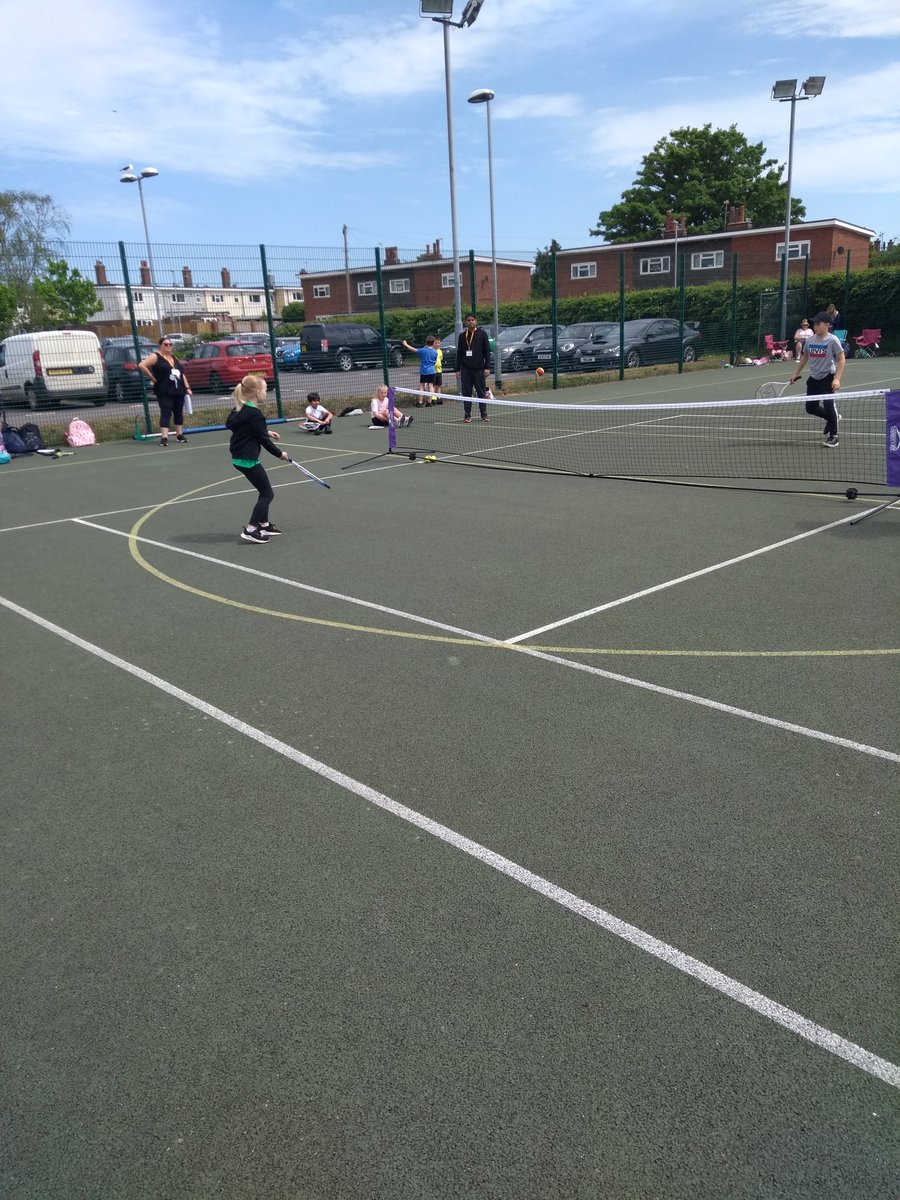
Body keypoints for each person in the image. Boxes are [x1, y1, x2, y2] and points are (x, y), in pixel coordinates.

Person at [225, 374, 289, 543]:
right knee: (267, 493)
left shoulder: (239, 409)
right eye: (266, 390)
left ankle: (264, 524)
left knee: (263, 491)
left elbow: (238, 426)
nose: (266, 393)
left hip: (239, 457)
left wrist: (264, 431)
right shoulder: (254, 414)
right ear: (258, 392)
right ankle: (251, 529)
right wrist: (279, 454)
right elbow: (263, 441)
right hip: (247, 459)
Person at [790, 312, 845, 448]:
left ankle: (834, 436)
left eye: (818, 324)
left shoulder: (832, 340)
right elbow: (805, 357)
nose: (815, 326)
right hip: (814, 378)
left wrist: (837, 379)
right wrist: (795, 373)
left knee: (828, 405)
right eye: (814, 324)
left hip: (828, 377)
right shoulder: (810, 340)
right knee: (810, 408)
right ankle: (832, 419)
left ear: (827, 325)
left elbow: (841, 359)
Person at [138, 336, 192, 446]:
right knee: (166, 412)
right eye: (166, 344)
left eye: (170, 344)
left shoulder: (174, 357)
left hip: (178, 390)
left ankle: (179, 434)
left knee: (178, 413)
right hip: (164, 390)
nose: (168, 346)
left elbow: (181, 374)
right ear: (160, 345)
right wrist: (152, 377)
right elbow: (142, 365)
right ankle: (164, 437)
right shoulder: (156, 356)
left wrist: (187, 387)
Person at [455, 313, 492, 423]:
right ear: (465, 322)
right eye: (468, 320)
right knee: (467, 393)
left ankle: (483, 414)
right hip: (466, 370)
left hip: (479, 369)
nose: (470, 322)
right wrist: (457, 369)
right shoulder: (462, 336)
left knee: (481, 392)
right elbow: (459, 353)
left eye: (472, 320)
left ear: (475, 321)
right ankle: (467, 415)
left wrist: (487, 367)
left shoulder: (482, 334)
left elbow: (487, 352)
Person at [401, 335, 438, 405]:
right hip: (432, 371)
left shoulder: (422, 350)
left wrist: (406, 344)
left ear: (426, 342)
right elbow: (434, 361)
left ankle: (420, 402)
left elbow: (413, 349)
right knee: (431, 385)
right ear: (433, 343)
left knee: (421, 386)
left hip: (424, 371)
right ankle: (429, 402)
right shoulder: (435, 352)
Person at [432, 335, 444, 404]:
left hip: (439, 371)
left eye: (438, 343)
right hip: (433, 371)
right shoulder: (431, 351)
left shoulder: (440, 351)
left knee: (439, 385)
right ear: (433, 343)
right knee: (433, 385)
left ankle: (439, 398)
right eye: (436, 343)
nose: (437, 344)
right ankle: (434, 398)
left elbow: (440, 359)